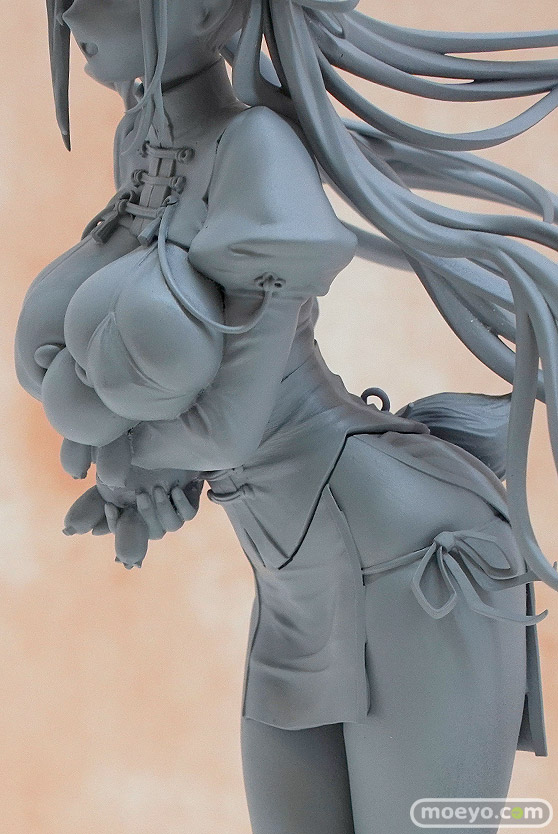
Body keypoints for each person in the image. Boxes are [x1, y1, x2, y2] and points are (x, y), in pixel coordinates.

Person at [14, 0, 558, 830]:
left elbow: (233, 422)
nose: (76, 12)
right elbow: (188, 392)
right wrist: (145, 481)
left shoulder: (256, 148)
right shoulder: (141, 147)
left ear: (205, 10)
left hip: (408, 560)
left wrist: (132, 461)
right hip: (292, 574)